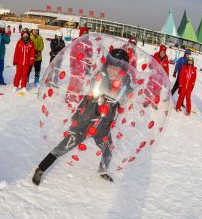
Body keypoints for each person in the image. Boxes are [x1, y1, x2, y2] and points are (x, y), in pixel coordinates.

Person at [32, 48, 132, 185]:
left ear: (122, 71)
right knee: (65, 145)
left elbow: (124, 100)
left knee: (108, 148)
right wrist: (79, 114)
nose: (111, 71)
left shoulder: (125, 85)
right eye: (110, 67)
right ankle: (41, 168)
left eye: (116, 69)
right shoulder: (100, 78)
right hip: (85, 121)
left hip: (103, 125)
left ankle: (103, 171)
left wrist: (125, 87)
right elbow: (91, 93)